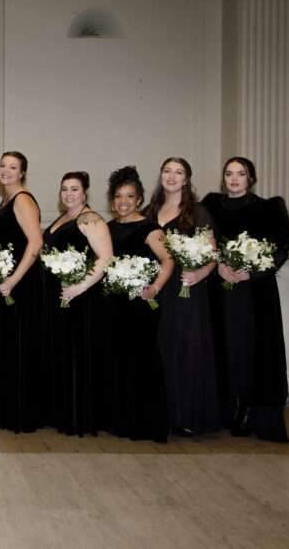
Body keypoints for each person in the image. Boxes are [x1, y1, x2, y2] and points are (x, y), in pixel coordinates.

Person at [203, 157, 289, 442]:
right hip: (220, 290)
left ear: (250, 178)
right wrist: (219, 267)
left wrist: (252, 272)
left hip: (255, 294)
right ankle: (226, 410)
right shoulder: (210, 206)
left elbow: (280, 251)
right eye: (229, 174)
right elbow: (202, 243)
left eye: (240, 174)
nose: (234, 179)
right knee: (224, 348)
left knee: (251, 351)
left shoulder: (268, 208)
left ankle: (248, 411)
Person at [143, 157, 222, 437]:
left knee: (187, 351)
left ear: (187, 179)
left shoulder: (197, 211)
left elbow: (212, 253)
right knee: (160, 349)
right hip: (156, 290)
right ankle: (162, 414)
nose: (172, 176)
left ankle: (188, 416)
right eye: (167, 171)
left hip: (187, 289)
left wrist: (200, 273)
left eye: (178, 172)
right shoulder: (150, 210)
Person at [41, 171, 113, 436]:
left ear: (85, 193)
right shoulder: (64, 218)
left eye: (74, 189)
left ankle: (79, 415)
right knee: (60, 353)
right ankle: (61, 411)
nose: (68, 194)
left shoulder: (91, 219)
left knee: (77, 355)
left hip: (82, 299)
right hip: (60, 297)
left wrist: (80, 286)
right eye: (64, 189)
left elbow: (105, 258)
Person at [105, 166, 173, 442]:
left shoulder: (150, 227)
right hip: (113, 304)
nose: (123, 202)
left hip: (139, 305)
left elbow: (168, 260)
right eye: (119, 196)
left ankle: (143, 422)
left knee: (141, 362)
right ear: (112, 200)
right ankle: (119, 419)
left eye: (129, 196)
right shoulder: (107, 228)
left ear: (139, 200)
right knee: (117, 361)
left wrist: (155, 287)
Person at [0, 152, 44, 433]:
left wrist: (13, 280)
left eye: (12, 167)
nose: (6, 170)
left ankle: (17, 412)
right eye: (3, 165)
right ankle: (2, 407)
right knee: (2, 344)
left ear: (22, 173)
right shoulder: (5, 200)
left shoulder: (23, 200)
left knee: (15, 344)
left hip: (19, 286)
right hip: (3, 283)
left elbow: (36, 242)